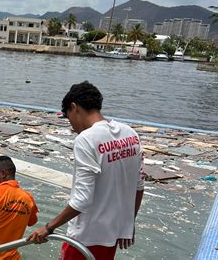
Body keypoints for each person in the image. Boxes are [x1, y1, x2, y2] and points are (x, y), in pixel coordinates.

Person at [27, 81, 144, 260]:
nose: (72, 126)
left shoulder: (86, 139)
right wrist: (128, 224)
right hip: (112, 236)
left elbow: (82, 200)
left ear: (74, 107)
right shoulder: (130, 134)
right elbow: (138, 186)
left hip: (85, 238)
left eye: (68, 117)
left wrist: (49, 227)